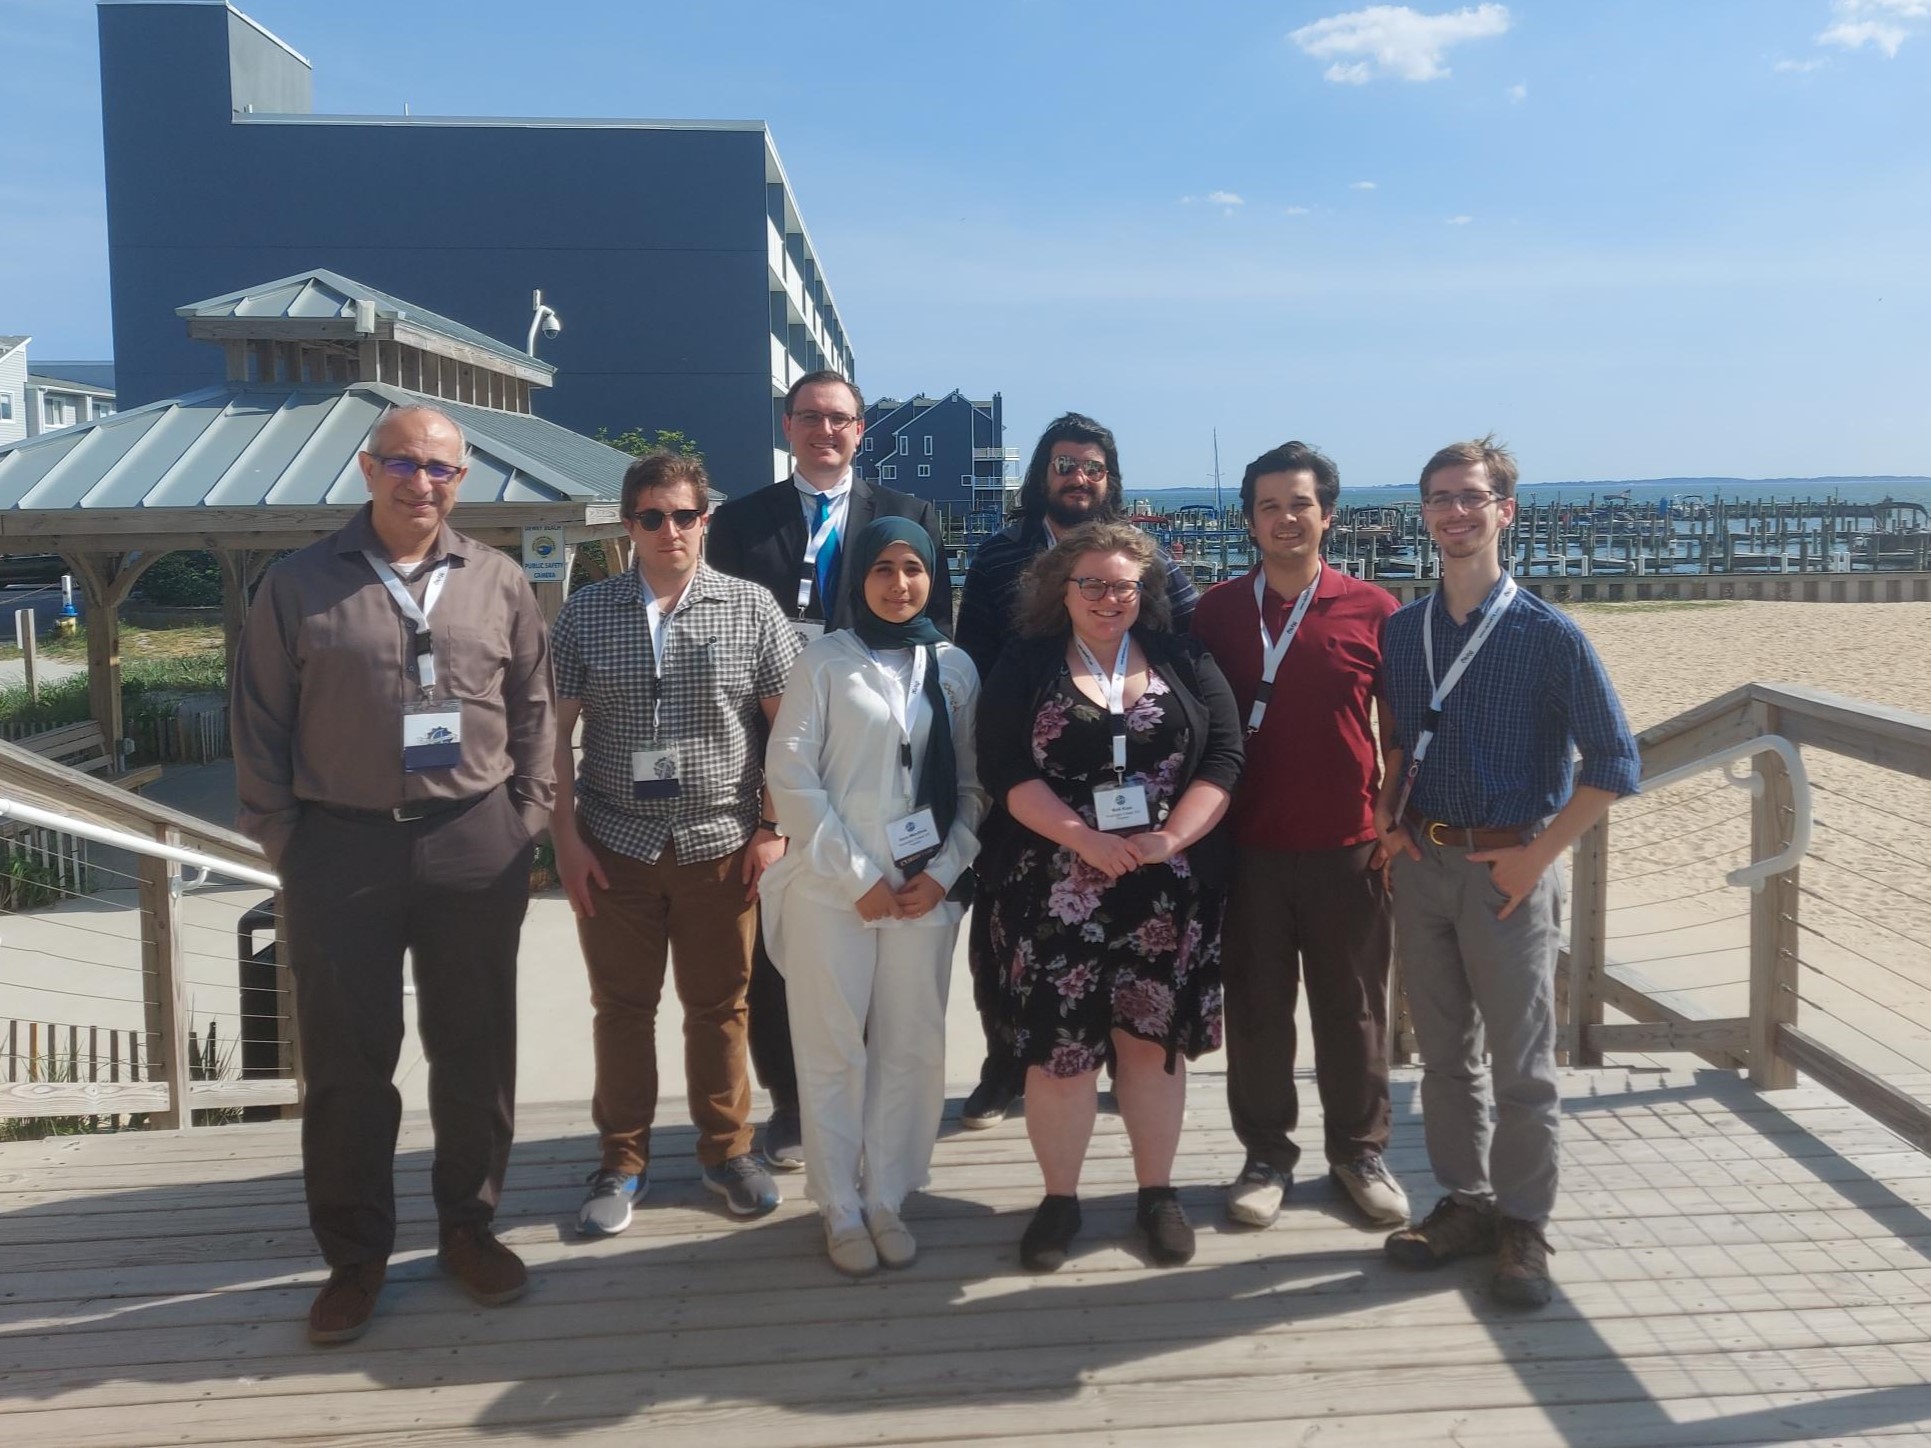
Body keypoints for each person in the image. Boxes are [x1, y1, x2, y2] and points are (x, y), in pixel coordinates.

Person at [232, 402, 555, 1345]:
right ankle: (355, 1256)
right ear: (367, 470)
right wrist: (287, 840)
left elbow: (532, 706)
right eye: (404, 464)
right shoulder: (297, 585)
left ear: (462, 481)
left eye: (443, 469)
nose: (423, 483)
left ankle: (468, 1227)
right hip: (341, 846)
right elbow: (259, 721)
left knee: (474, 1047)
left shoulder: (496, 580)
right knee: (346, 1062)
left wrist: (524, 818)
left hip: (472, 840)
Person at [1373, 435, 1639, 1309]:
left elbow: (1612, 761)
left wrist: (1538, 855)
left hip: (1507, 867)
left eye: (1470, 498)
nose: (1454, 512)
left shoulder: (1546, 634)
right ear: (1423, 513)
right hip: (1423, 862)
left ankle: (1524, 1221)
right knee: (1445, 1055)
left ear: (1503, 511)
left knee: (1522, 1059)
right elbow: (1397, 739)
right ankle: (1464, 1202)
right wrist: (1389, 814)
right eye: (1439, 498)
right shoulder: (1400, 631)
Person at [976, 521, 1242, 1272]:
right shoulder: (1024, 663)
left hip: (1164, 893)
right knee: (1058, 1056)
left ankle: (1156, 1194)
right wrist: (1082, 839)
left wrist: (1168, 841)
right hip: (1053, 890)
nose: (1106, 597)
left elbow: (1222, 757)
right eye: (1090, 582)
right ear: (1060, 588)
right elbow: (1002, 768)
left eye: (1122, 584)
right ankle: (1059, 1200)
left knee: (1150, 1049)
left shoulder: (1183, 657)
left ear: (1143, 592)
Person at [548, 451, 802, 1235]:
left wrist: (771, 828)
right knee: (621, 1009)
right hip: (616, 842)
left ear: (705, 520)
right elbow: (550, 738)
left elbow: (787, 731)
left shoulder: (752, 608)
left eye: (684, 515)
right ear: (628, 526)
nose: (669, 531)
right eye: (652, 517)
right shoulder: (585, 613)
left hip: (720, 845)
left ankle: (727, 1150)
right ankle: (621, 1161)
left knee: (720, 1007)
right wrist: (564, 839)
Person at [707, 369, 952, 1171]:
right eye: (809, 417)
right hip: (768, 755)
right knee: (787, 940)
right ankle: (793, 1104)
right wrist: (765, 807)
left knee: (883, 941)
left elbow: (932, 643)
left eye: (839, 419)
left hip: (876, 762)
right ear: (787, 425)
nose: (824, 431)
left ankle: (877, 1108)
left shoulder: (907, 519)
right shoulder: (740, 523)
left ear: (861, 430)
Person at [954, 413, 1200, 1130]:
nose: (1078, 477)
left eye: (1092, 467)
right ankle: (1007, 1063)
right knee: (1004, 932)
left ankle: (1128, 1066)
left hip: (1134, 787)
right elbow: (969, 666)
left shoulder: (1146, 559)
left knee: (1132, 932)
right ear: (1041, 477)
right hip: (1029, 784)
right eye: (1064, 465)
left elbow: (1187, 646)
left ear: (1109, 480)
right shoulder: (1000, 557)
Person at [1191, 441, 1409, 1231]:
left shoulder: (1374, 610)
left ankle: (1357, 1151)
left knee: (1351, 1009)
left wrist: (1389, 818)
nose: (1286, 518)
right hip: (1245, 846)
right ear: (1248, 518)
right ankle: (1264, 1155)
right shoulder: (1214, 611)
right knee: (1255, 1008)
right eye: (1269, 506)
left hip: (1347, 845)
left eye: (1300, 504)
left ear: (1328, 514)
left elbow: (1399, 732)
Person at [760, 518, 987, 1276]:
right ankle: (840, 1205)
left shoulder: (953, 667)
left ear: (932, 577)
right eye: (883, 568)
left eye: (913, 568)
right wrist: (857, 878)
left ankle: (888, 1192)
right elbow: (790, 779)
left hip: (923, 891)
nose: (898, 584)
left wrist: (945, 871)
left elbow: (970, 787)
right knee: (831, 1049)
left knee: (911, 1044)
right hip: (836, 891)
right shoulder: (824, 662)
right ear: (857, 576)